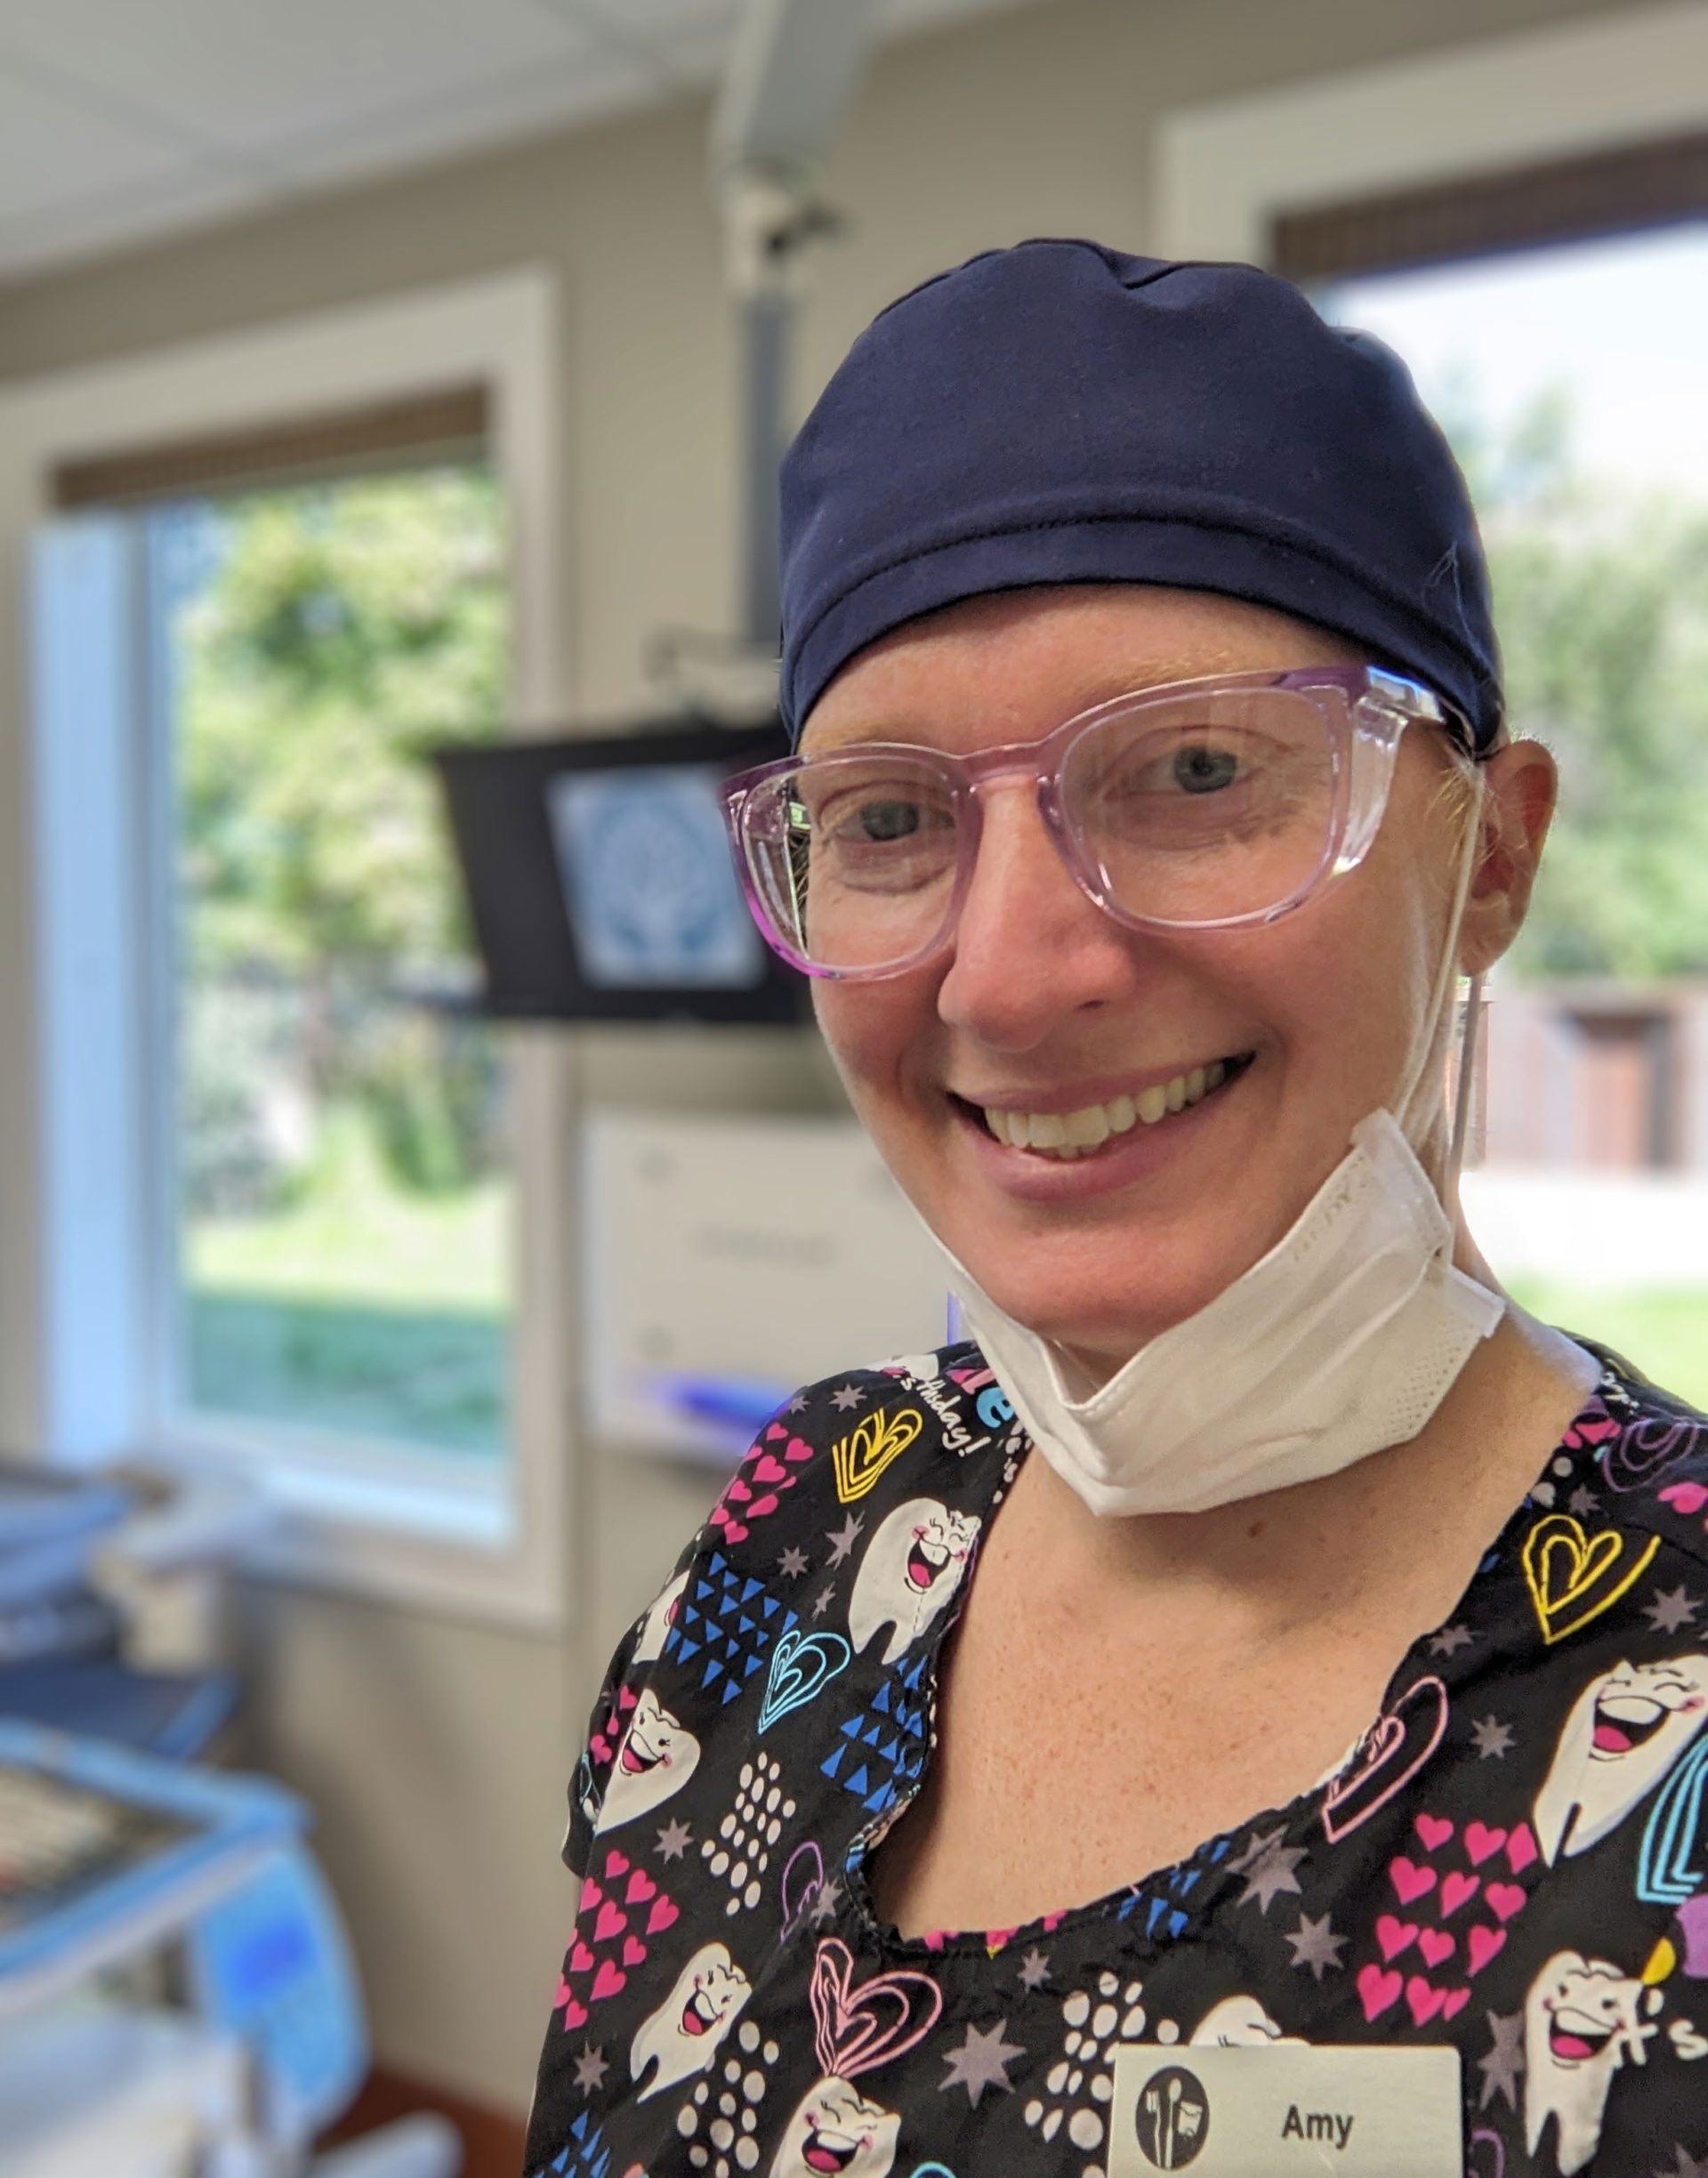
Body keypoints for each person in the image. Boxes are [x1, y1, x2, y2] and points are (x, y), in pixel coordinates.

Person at [524, 242, 1708, 2178]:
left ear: (1490, 854)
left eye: (1198, 768)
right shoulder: (801, 1527)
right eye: (892, 817)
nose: (1010, 972)